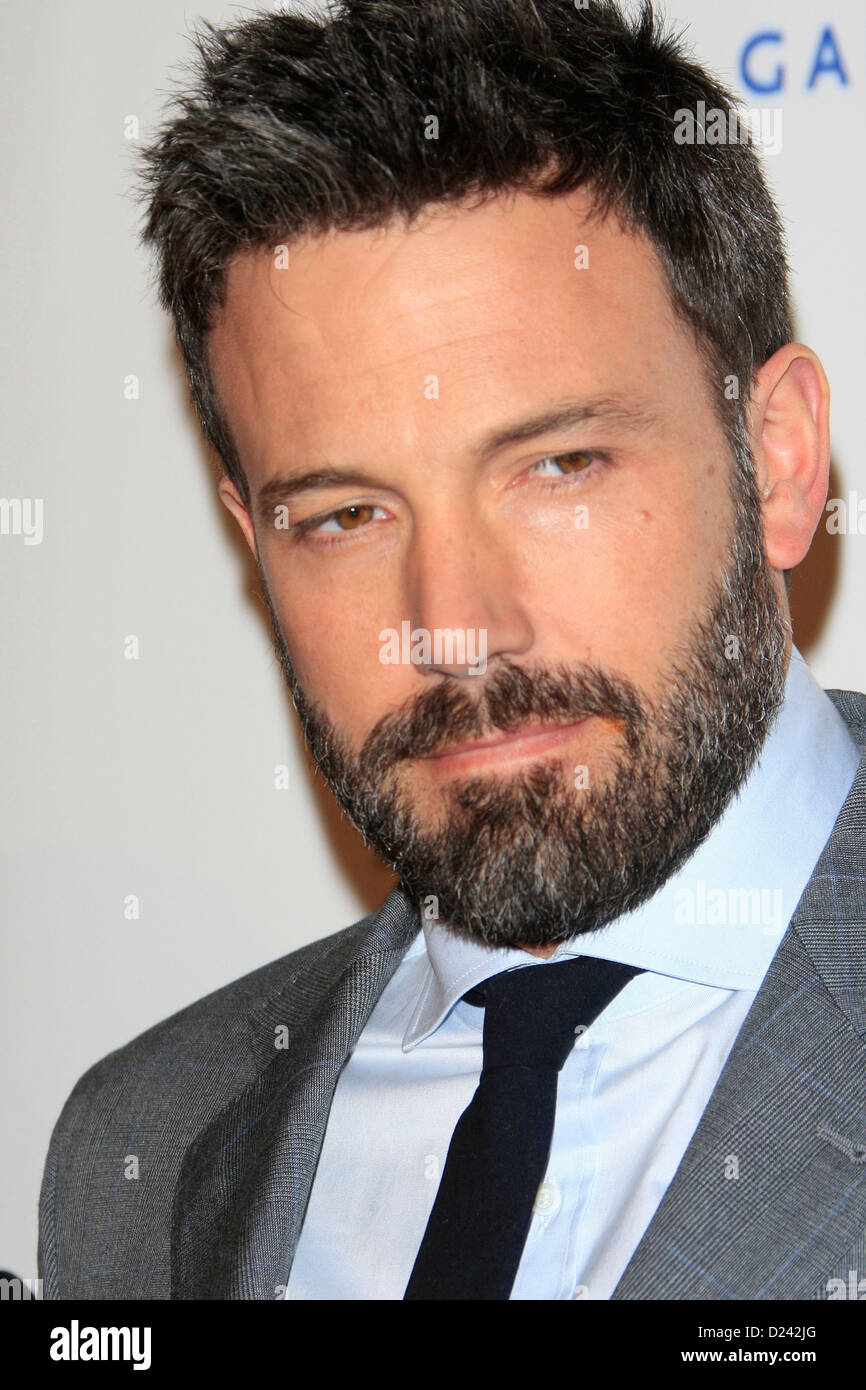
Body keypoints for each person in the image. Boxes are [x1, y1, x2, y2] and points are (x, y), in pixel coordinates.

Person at [38, 0, 866, 1300]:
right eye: (346, 515)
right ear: (249, 534)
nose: (457, 626)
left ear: (774, 459)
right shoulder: (137, 1143)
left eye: (555, 465)